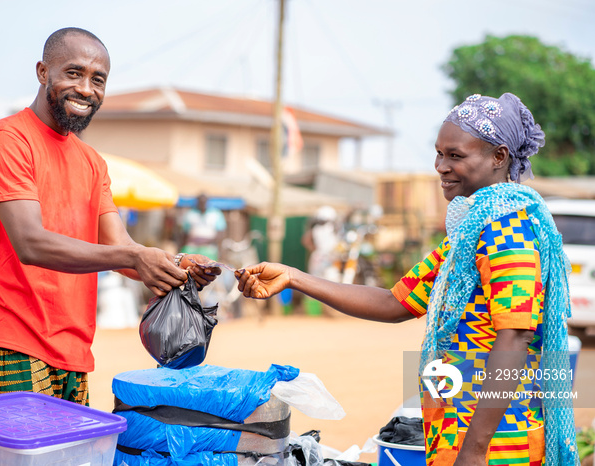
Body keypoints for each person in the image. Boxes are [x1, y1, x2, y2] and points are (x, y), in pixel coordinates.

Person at [237, 93, 579, 465]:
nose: (440, 166)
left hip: (498, 443)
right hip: (460, 427)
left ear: (499, 157)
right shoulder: (471, 234)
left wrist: (475, 451)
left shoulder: (507, 231)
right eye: (439, 153)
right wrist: (294, 277)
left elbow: (513, 338)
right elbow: (395, 302)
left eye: (455, 155)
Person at [0, 27, 219, 405]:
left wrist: (175, 265)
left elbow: (119, 247)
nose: (86, 89)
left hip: (75, 354)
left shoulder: (92, 162)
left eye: (98, 80)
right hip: (12, 343)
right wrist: (133, 257)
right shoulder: (7, 141)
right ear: (42, 71)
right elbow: (31, 243)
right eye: (73, 73)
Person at [179, 193, 227, 261]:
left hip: (209, 249)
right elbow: (184, 233)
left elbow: (221, 233)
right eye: (200, 201)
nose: (202, 203)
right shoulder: (190, 213)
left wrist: (206, 241)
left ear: (207, 202)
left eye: (203, 201)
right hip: (192, 247)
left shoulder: (215, 214)